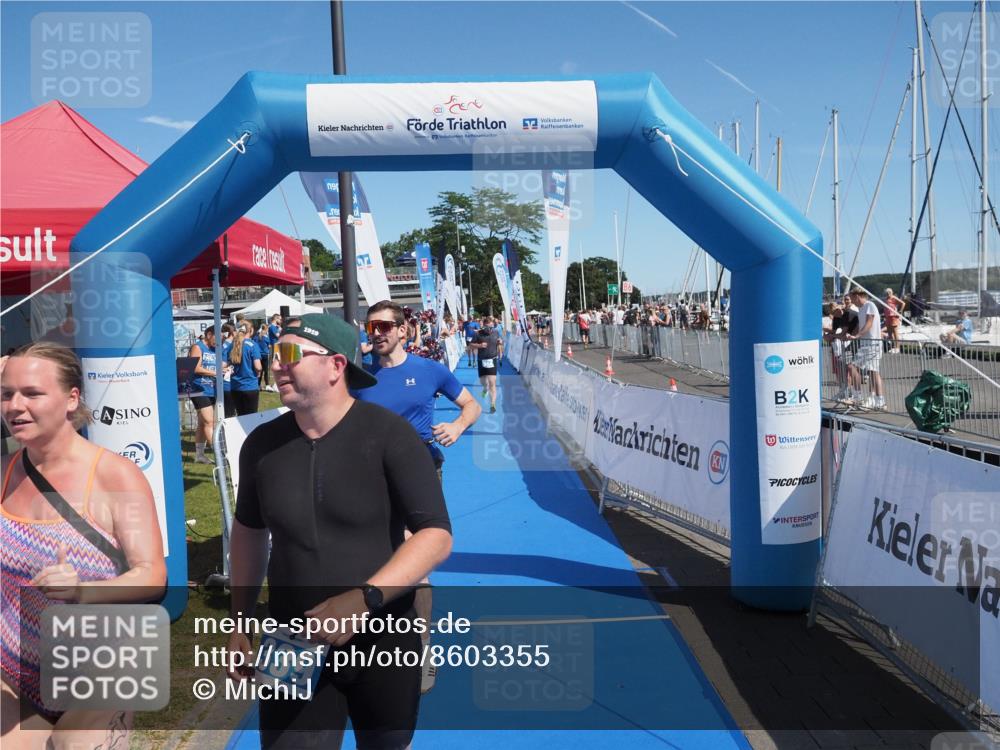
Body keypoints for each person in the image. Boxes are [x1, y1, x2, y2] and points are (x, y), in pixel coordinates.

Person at [227, 314, 452, 750]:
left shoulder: (390, 435)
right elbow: (249, 533)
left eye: (291, 354)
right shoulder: (261, 445)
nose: (277, 364)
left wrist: (362, 598)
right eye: (276, 354)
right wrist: (240, 620)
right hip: (290, 636)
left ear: (335, 366)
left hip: (383, 634)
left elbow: (436, 535)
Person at [1, 343, 166, 750]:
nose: (15, 406)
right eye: (6, 394)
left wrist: (82, 591)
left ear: (72, 398)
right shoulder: (5, 473)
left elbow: (152, 575)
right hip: (14, 665)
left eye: (32, 393)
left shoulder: (114, 475)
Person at [355, 301, 481, 692]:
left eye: (385, 326)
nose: (377, 333)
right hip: (370, 476)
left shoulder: (430, 370)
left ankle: (423, 646)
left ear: (404, 330)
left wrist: (459, 425)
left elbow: (470, 404)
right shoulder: (358, 375)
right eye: (371, 326)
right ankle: (372, 636)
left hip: (421, 471)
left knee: (415, 559)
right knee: (373, 555)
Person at [847, 288, 885, 410]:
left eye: (852, 298)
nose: (851, 301)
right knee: (872, 372)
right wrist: (850, 335)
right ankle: (875, 400)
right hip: (866, 344)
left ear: (857, 296)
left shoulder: (870, 305)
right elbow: (860, 325)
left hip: (873, 344)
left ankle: (869, 398)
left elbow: (869, 323)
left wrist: (857, 336)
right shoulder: (861, 309)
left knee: (862, 369)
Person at [189, 325, 219, 464]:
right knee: (209, 422)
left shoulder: (215, 349)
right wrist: (216, 372)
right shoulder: (198, 347)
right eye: (216, 336)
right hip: (198, 388)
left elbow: (216, 365)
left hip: (211, 389)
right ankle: (219, 454)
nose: (218, 340)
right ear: (208, 334)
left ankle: (199, 455)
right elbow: (195, 367)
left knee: (202, 423)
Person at [225, 322, 262, 416]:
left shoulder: (232, 345)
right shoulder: (253, 345)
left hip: (235, 387)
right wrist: (259, 372)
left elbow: (225, 364)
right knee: (251, 417)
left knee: (240, 416)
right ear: (251, 330)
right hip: (250, 386)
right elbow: (258, 366)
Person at [474, 317, 504, 414]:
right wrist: (479, 345)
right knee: (484, 383)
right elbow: (470, 346)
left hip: (492, 360)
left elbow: (499, 342)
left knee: (492, 383)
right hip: (481, 360)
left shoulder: (495, 332)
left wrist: (500, 351)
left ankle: (492, 405)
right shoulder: (478, 333)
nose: (490, 328)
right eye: (489, 326)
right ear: (485, 325)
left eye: (492, 326)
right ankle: (485, 388)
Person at [883, 288, 905, 353]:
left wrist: (900, 311)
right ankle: (892, 346)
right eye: (887, 293)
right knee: (890, 333)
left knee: (895, 332)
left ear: (891, 293)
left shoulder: (893, 298)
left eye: (889, 293)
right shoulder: (886, 299)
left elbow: (903, 303)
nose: (888, 294)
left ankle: (897, 347)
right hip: (888, 317)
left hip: (893, 317)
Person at [254, 324, 272, 390]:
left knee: (259, 370)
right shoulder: (266, 337)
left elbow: (254, 343)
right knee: (266, 370)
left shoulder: (256, 336)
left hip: (258, 355)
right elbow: (269, 345)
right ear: (266, 329)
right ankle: (267, 384)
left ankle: (258, 385)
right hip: (265, 354)